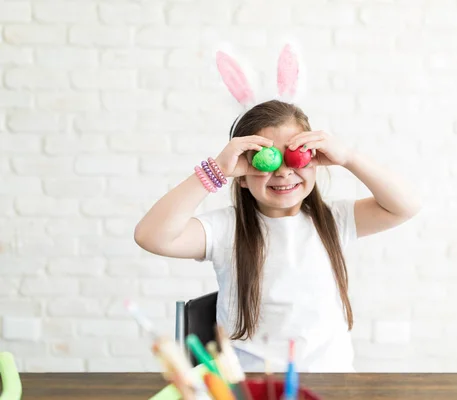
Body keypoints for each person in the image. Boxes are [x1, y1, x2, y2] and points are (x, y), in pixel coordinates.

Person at [134, 47, 421, 373]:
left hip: (330, 382)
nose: (283, 172)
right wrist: (215, 170)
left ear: (316, 160)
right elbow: (151, 236)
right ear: (241, 176)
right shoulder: (227, 229)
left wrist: (349, 157)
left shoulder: (333, 221)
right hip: (251, 386)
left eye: (296, 156)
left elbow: (406, 205)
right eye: (265, 160)